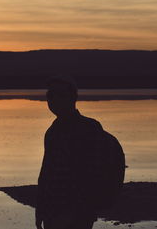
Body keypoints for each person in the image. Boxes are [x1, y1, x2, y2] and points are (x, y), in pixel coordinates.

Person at [35, 75, 106, 229]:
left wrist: (85, 209)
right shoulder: (53, 132)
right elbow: (47, 172)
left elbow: (98, 171)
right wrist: (40, 209)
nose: (53, 100)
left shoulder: (89, 128)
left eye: (60, 95)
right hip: (53, 210)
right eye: (50, 95)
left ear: (73, 97)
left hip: (78, 210)